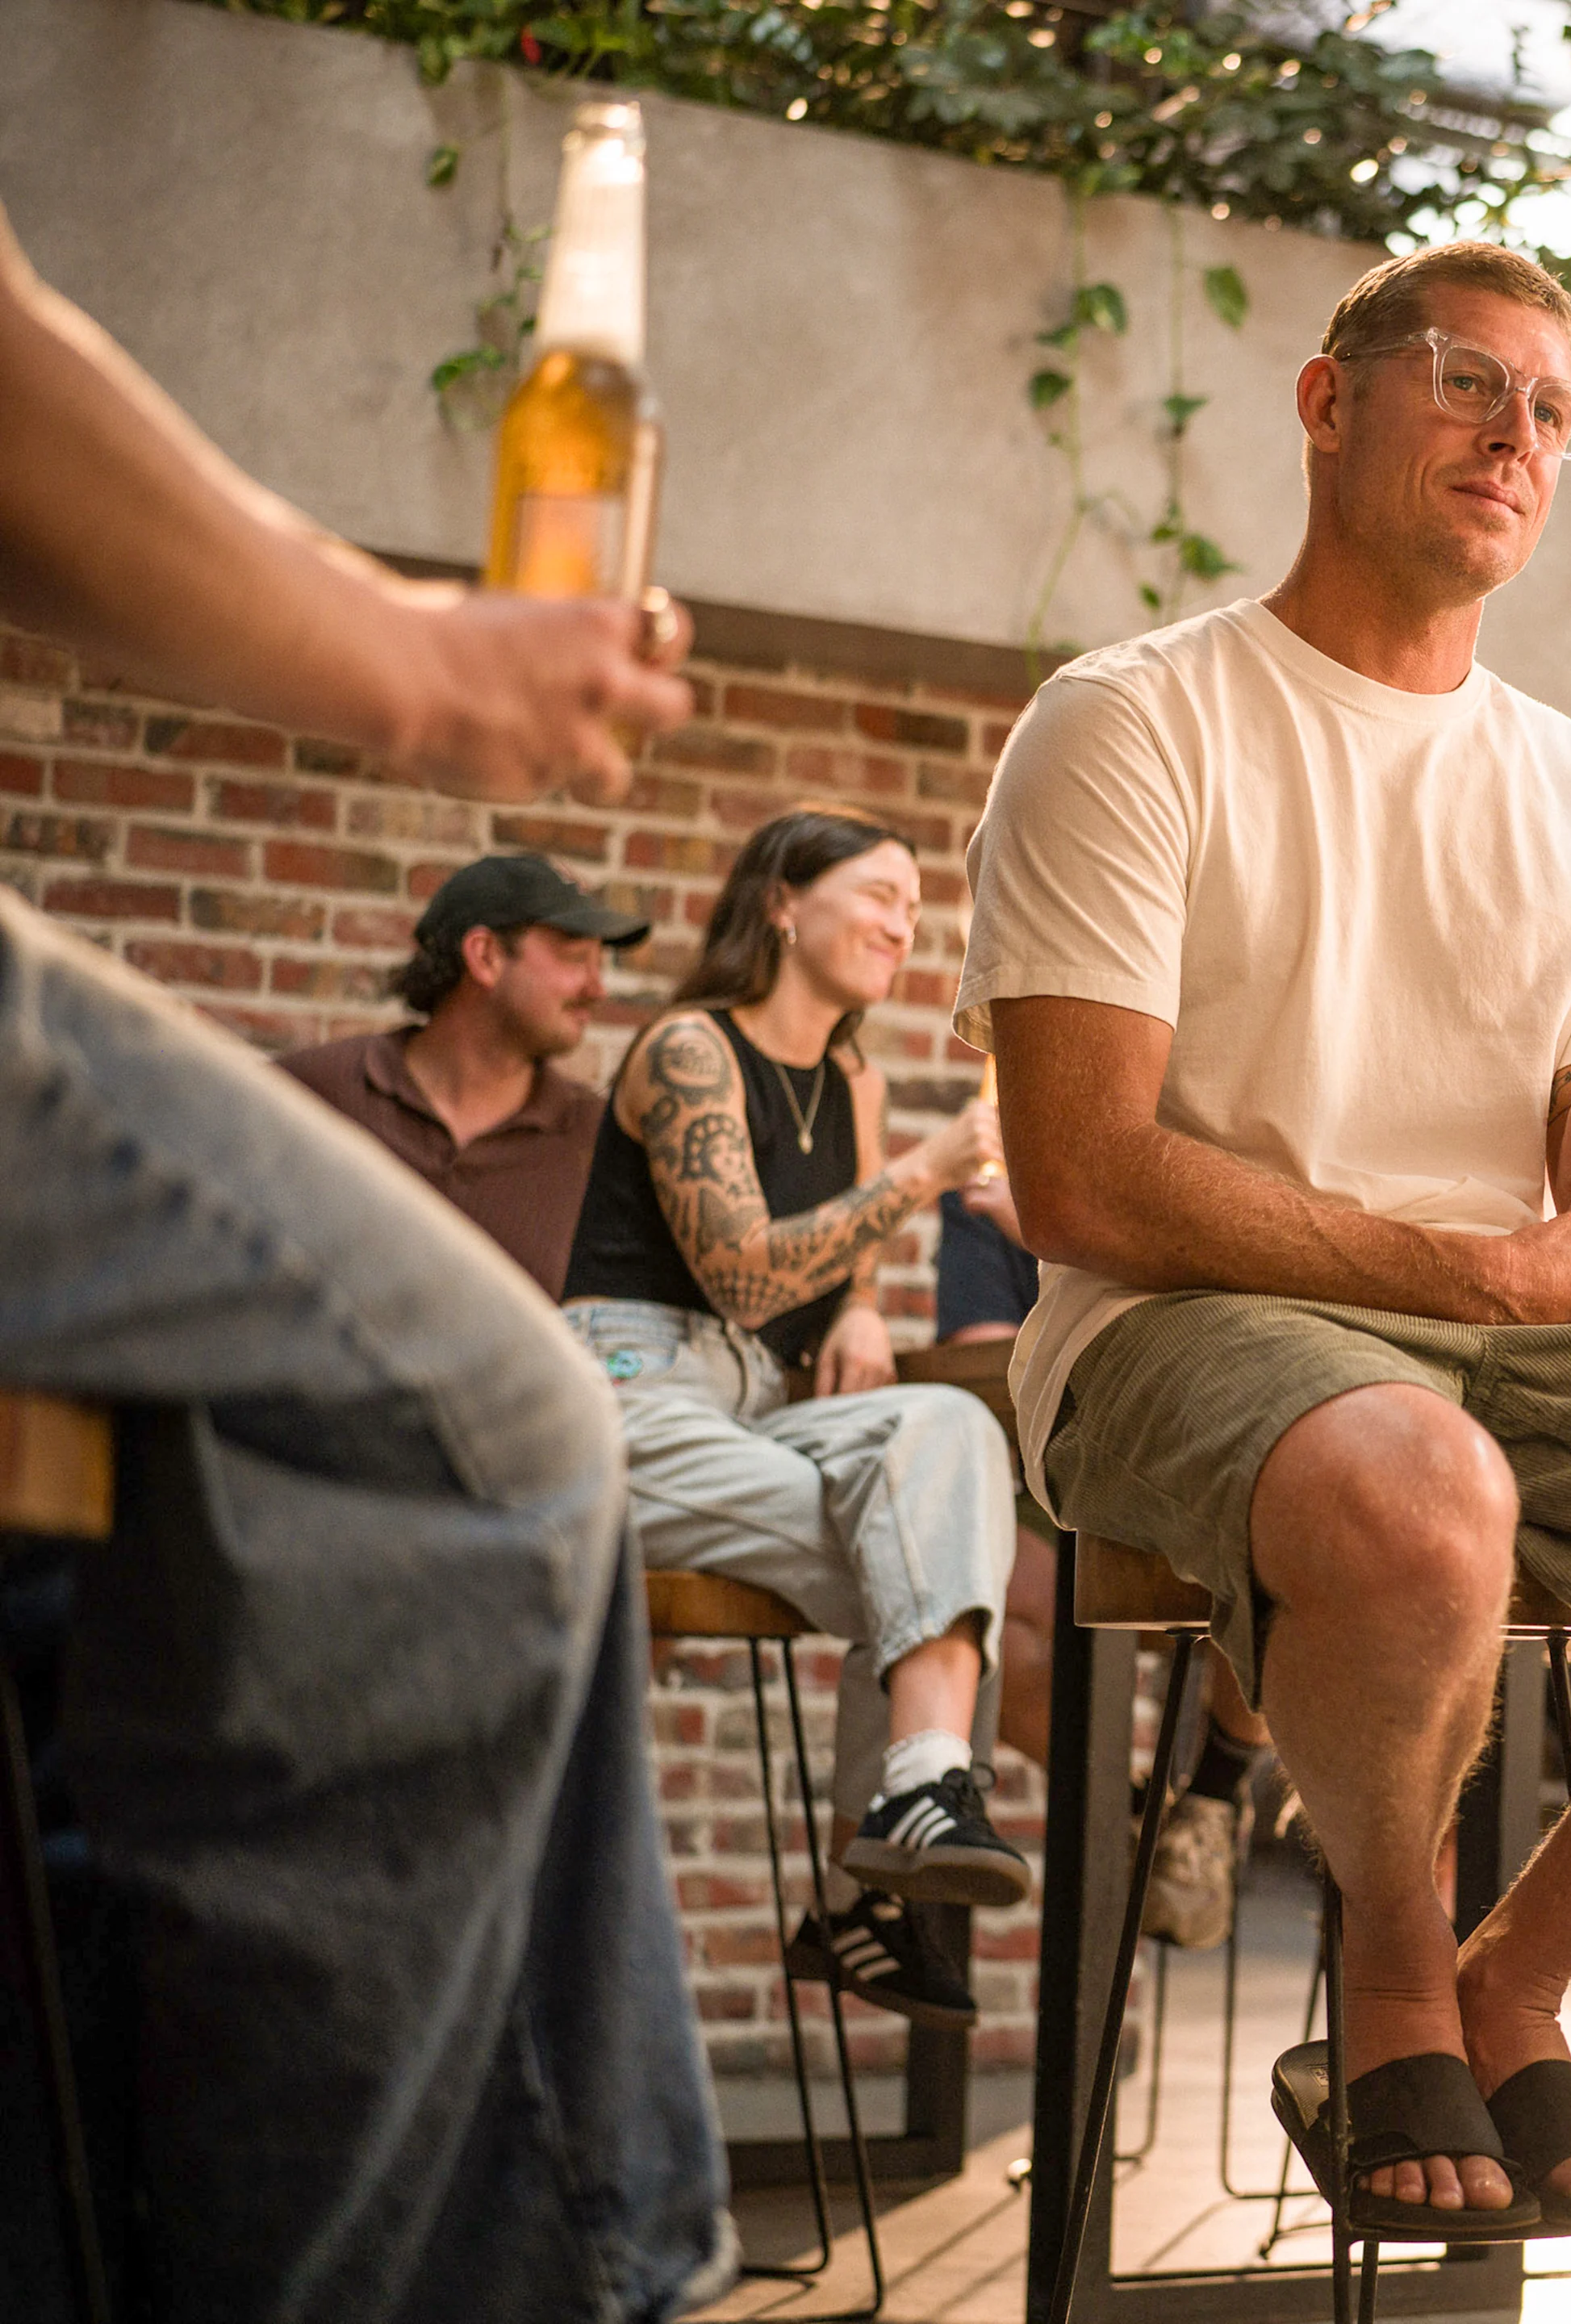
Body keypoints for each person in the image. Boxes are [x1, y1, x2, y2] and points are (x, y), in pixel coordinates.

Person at [964, 240, 1571, 2240]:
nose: (1517, 438)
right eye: (1466, 385)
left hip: (1503, 1333)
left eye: (1550, 410)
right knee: (1426, 1486)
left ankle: (1521, 1971)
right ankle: (1399, 1975)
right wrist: (1468, 1276)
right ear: (1330, 404)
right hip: (1184, 1312)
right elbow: (1079, 1177)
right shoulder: (1131, 719)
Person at [0, 202, 732, 2318]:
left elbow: (725, 1286)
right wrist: (408, 652)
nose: (602, 982)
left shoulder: (618, 1124)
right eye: (571, 950)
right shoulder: (332, 1089)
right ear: (481, 953)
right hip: (602, 1438)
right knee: (494, 1440)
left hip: (707, 1408)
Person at [560, 806, 1022, 2033]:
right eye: (876, 894)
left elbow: (832, 1279)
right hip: (627, 1393)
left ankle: (914, 1793)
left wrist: (867, 1311)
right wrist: (927, 1174)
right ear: (782, 902)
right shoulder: (686, 1052)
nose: (902, 922)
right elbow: (749, 1275)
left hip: (764, 1402)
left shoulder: (854, 1080)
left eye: (915, 906)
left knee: (948, 1441)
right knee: (931, 1547)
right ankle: (872, 1904)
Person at [942, 1172, 1274, 1954]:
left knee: (1269, 1514)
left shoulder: (1209, 1151)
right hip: (1058, 1458)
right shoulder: (999, 1183)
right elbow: (977, 1350)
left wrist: (1061, 1233)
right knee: (992, 1610)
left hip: (1208, 1434)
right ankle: (1149, 1815)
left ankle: (1215, 1797)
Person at [278, 853, 651, 1298]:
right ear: (485, 956)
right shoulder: (308, 1096)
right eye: (575, 959)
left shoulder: (598, 1144)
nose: (597, 988)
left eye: (599, 964)